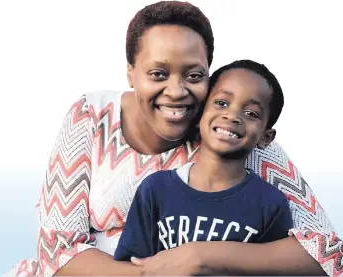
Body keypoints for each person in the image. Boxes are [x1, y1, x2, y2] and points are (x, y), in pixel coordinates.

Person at [3, 1, 343, 277]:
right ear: (130, 73)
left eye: (194, 75)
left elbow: (326, 253)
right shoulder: (92, 116)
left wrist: (197, 257)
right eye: (157, 73)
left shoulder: (226, 133)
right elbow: (57, 250)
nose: (176, 91)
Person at [114, 59, 294, 262]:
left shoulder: (270, 204)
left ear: (265, 137)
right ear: (199, 115)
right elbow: (130, 266)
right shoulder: (156, 189)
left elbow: (277, 268)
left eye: (250, 113)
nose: (232, 116)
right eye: (221, 103)